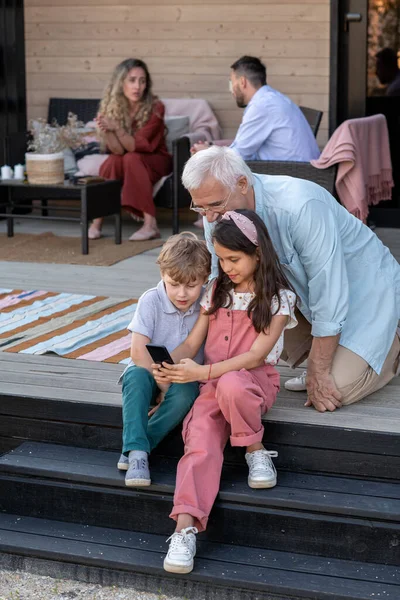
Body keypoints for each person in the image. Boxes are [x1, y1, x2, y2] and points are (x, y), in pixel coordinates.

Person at [182, 145, 400, 413]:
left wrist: (318, 372)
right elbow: (219, 287)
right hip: (304, 296)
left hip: (367, 294)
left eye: (215, 205)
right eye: (200, 208)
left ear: (241, 184)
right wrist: (186, 360)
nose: (210, 217)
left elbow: (329, 291)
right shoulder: (214, 212)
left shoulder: (300, 206)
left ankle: (391, 340)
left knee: (338, 389)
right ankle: (335, 354)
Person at [153, 210, 297, 574]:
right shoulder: (217, 290)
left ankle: (254, 448)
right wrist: (169, 365)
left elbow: (256, 355)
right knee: (199, 440)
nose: (226, 266)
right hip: (211, 384)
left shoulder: (279, 297)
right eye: (221, 259)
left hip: (254, 382)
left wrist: (204, 371)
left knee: (232, 383)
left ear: (258, 254)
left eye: (233, 259)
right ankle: (184, 529)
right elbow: (193, 342)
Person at [117, 232, 211, 487]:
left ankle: (137, 448)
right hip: (146, 372)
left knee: (185, 394)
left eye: (191, 285)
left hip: (181, 378)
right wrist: (160, 386)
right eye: (174, 284)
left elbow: (191, 347)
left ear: (204, 279)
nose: (182, 293)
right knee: (135, 376)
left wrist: (169, 387)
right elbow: (138, 352)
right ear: (162, 276)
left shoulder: (205, 304)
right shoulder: (151, 300)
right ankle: (137, 453)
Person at [89, 58, 172, 241]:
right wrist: (108, 129)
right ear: (121, 83)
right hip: (130, 159)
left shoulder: (156, 107)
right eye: (132, 80)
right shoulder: (114, 107)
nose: (138, 87)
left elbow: (137, 145)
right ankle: (97, 221)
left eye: (142, 81)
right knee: (113, 161)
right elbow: (118, 151)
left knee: (132, 158)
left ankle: (151, 224)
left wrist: (117, 128)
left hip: (156, 159)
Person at [191, 56, 320, 162]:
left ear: (242, 82)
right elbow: (243, 144)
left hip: (289, 177)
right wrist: (212, 146)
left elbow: (238, 155)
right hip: (298, 171)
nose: (231, 90)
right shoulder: (272, 98)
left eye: (231, 83)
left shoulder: (262, 105)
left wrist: (207, 153)